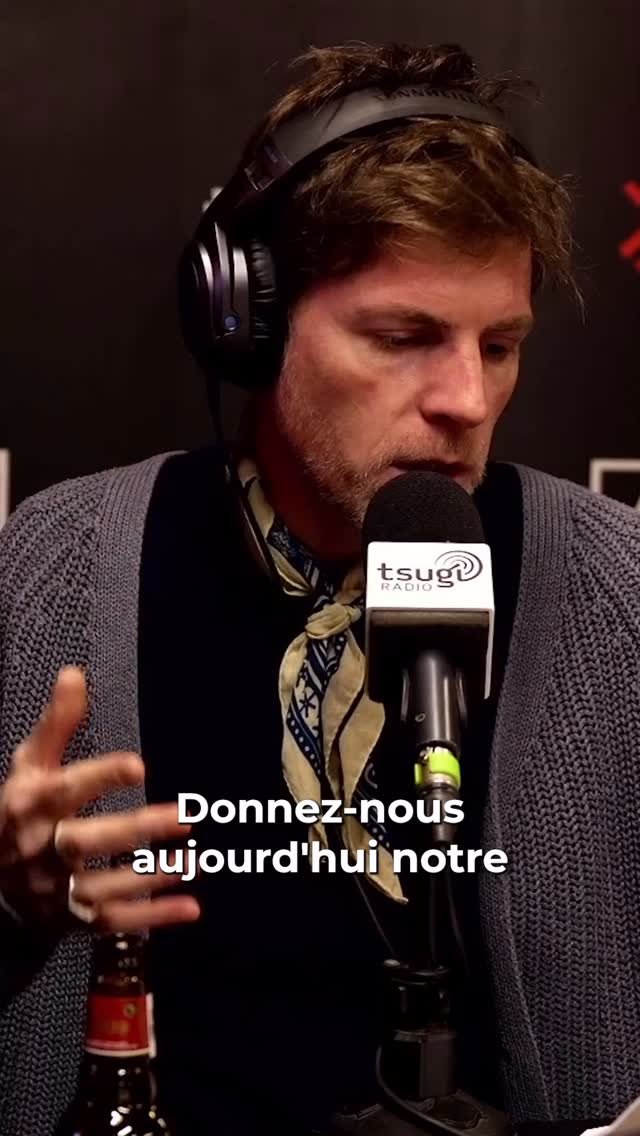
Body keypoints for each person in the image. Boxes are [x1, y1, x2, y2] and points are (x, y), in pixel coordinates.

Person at [1, 38, 639, 1136]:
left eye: (499, 345)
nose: (466, 399)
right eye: (403, 337)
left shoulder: (615, 588)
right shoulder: (55, 563)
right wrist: (13, 908)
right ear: (249, 324)